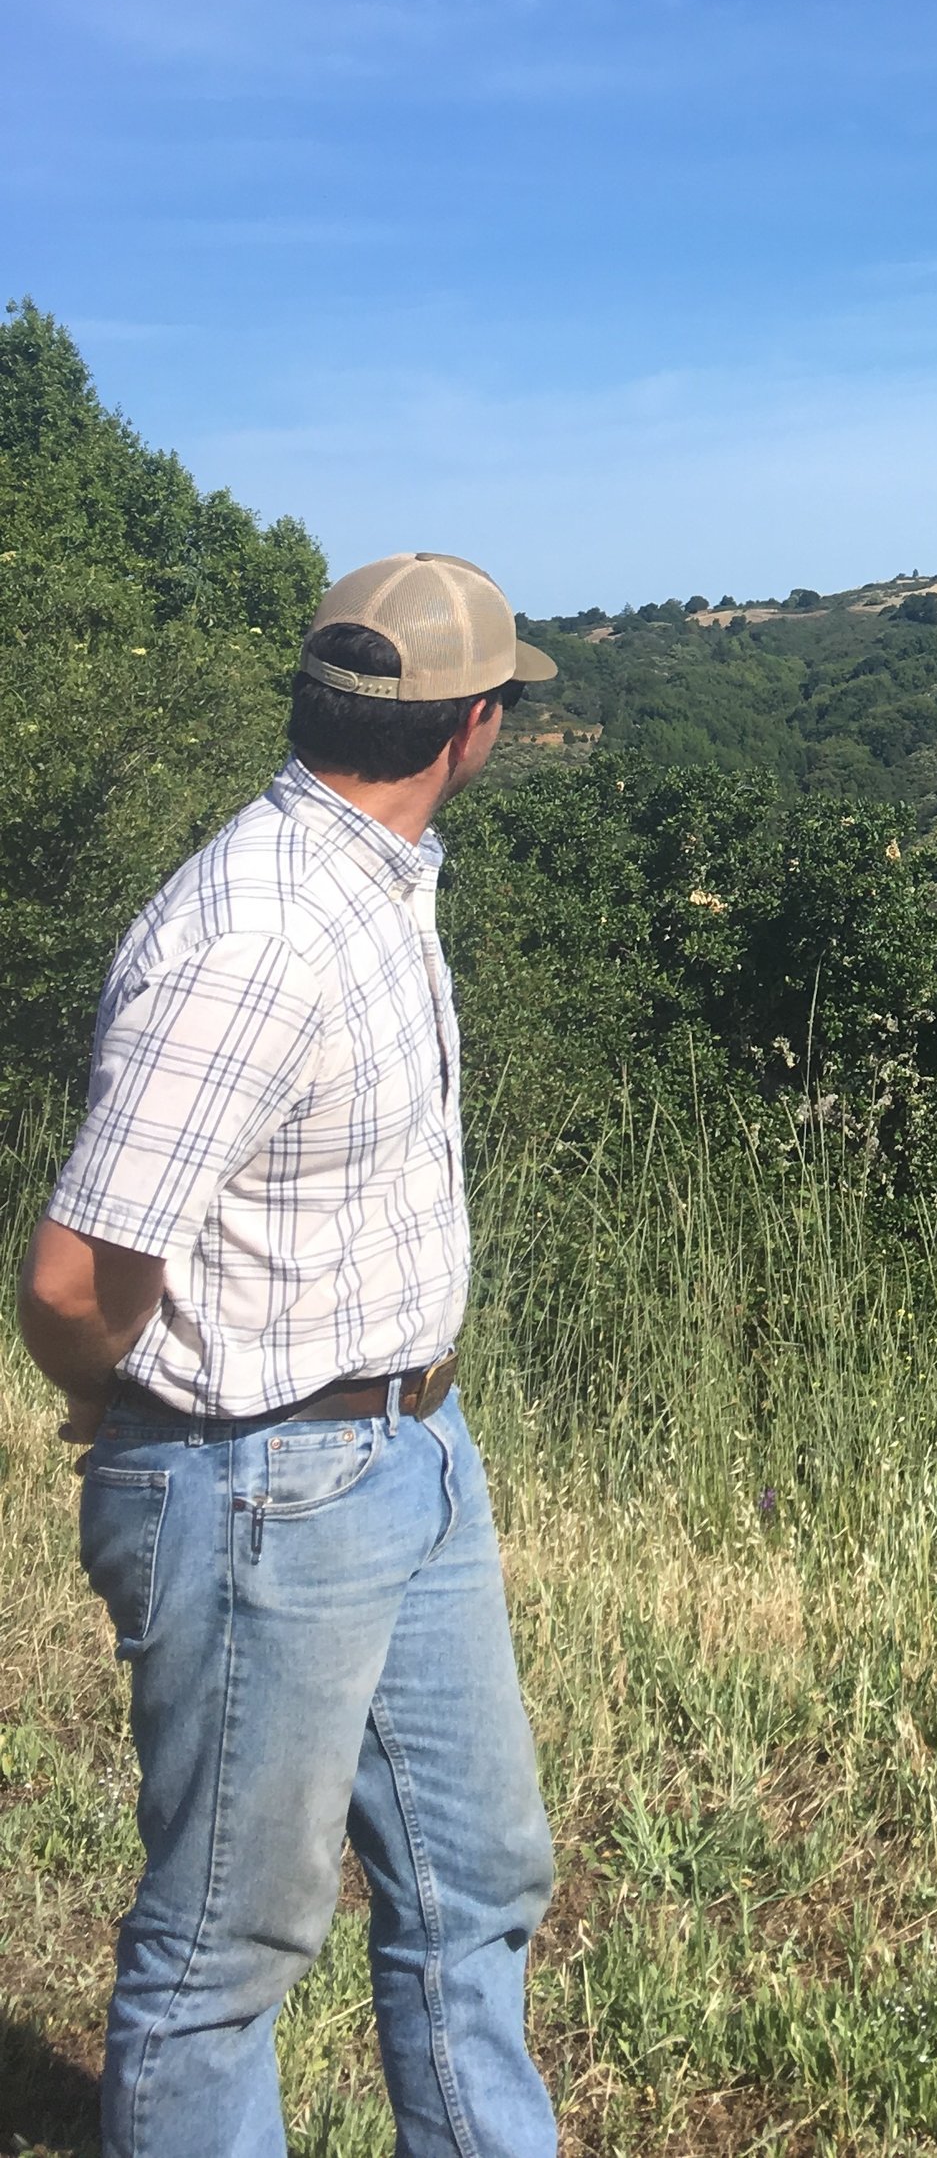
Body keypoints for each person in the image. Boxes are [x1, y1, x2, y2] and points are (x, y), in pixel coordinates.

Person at [17, 552, 564, 2158]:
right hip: (259, 1480)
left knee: (478, 1876)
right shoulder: (259, 932)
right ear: (470, 724)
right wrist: (113, 1410)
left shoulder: (376, 878)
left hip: (409, 1449)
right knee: (222, 1954)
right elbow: (67, 1275)